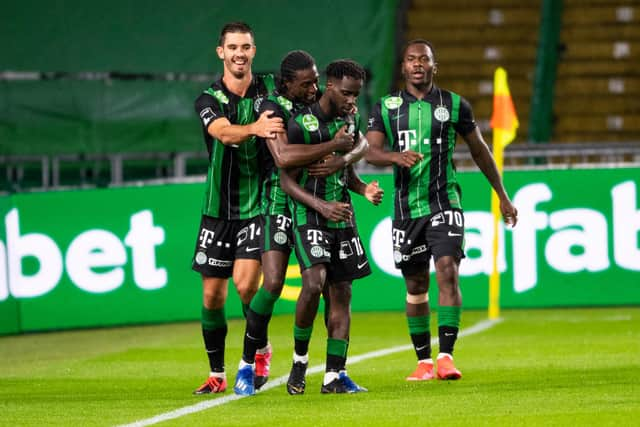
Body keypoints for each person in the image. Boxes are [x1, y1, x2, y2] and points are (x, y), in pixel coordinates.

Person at [365, 39, 518, 381]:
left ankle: (446, 357)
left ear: (436, 66)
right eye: (411, 59)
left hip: (445, 200)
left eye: (424, 59)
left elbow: (479, 150)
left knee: (448, 269)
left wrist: (502, 196)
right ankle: (423, 362)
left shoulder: (455, 105)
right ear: (403, 67)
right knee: (416, 284)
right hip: (406, 209)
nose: (417, 64)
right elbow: (370, 152)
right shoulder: (386, 107)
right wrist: (394, 157)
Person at [233, 50, 368, 396]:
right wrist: (333, 146)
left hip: (312, 204)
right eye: (306, 83)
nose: (313, 88)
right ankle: (250, 362)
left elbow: (360, 141)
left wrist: (343, 158)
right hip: (279, 201)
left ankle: (331, 372)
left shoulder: (330, 108)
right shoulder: (273, 110)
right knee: (274, 282)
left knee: (331, 287)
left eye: (315, 81)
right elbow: (283, 157)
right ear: (288, 83)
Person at [191, 22, 284, 395]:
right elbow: (223, 132)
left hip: (258, 203)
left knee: (247, 286)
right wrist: (255, 129)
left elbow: (286, 112)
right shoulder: (208, 100)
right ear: (221, 53)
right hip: (217, 208)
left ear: (254, 51)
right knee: (212, 296)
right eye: (233, 47)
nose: (239, 53)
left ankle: (259, 349)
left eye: (245, 47)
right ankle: (217, 373)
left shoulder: (270, 91)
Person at [281, 59, 384, 394]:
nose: (352, 100)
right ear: (328, 86)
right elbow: (286, 181)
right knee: (314, 283)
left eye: (356, 94)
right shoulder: (301, 123)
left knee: (342, 292)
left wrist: (363, 187)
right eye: (346, 93)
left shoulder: (349, 120)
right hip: (310, 213)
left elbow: (346, 172)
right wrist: (322, 205)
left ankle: (334, 376)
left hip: (342, 216)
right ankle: (299, 361)